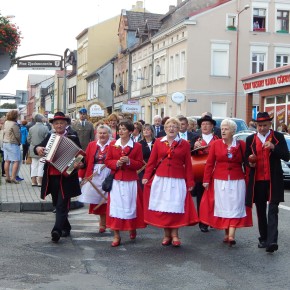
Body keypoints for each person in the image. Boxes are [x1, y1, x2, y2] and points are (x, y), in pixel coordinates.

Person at [142, 117, 199, 247]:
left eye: (174, 126)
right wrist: (146, 176)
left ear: (179, 129)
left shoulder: (184, 144)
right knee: (164, 208)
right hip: (161, 179)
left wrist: (190, 182)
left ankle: (175, 235)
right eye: (169, 126)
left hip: (177, 180)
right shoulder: (158, 142)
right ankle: (166, 235)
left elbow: (188, 165)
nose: (171, 129)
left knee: (175, 207)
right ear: (165, 129)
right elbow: (151, 162)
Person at [200, 119, 253, 246]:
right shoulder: (216, 144)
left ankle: (231, 235)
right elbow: (210, 163)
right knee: (223, 206)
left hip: (237, 180)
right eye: (222, 129)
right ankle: (226, 232)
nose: (223, 131)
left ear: (233, 131)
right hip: (219, 180)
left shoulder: (241, 145)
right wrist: (206, 180)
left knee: (235, 205)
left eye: (226, 129)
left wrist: (249, 178)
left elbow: (247, 164)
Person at [34, 112, 83, 243]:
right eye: (56, 123)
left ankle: (56, 230)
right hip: (52, 175)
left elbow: (79, 155)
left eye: (61, 123)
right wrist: (38, 148)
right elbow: (37, 147)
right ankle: (66, 227)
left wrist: (76, 165)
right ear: (53, 125)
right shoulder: (50, 136)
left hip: (66, 176)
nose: (59, 125)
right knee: (57, 203)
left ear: (66, 124)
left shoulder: (72, 136)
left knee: (62, 204)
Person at [245, 112, 289, 253]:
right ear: (256, 125)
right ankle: (263, 238)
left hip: (273, 179)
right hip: (257, 181)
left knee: (273, 210)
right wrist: (249, 162)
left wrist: (274, 147)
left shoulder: (278, 137)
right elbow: (246, 159)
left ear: (270, 124)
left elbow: (286, 156)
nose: (262, 128)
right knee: (260, 210)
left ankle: (272, 241)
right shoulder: (250, 139)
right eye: (259, 125)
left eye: (264, 125)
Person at [105, 119, 145, 247]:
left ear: (130, 132)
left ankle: (132, 228)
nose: (120, 131)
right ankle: (116, 236)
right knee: (115, 207)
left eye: (123, 129)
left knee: (130, 206)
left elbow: (139, 163)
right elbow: (107, 161)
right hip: (116, 180)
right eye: (119, 129)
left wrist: (129, 161)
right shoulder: (112, 144)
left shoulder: (137, 146)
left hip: (130, 180)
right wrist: (116, 163)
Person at [78, 124, 112, 233]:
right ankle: (102, 223)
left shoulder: (113, 144)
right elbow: (86, 162)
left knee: (110, 200)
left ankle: (109, 222)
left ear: (109, 134)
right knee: (99, 201)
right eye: (100, 133)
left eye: (104, 133)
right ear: (96, 134)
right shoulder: (92, 145)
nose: (102, 135)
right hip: (94, 176)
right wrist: (80, 176)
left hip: (109, 175)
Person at [192, 115, 220, 232]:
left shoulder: (218, 139)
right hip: (200, 172)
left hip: (215, 172)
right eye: (203, 124)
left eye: (207, 124)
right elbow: (189, 155)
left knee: (214, 197)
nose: (205, 126)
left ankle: (213, 220)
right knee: (201, 197)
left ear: (212, 126)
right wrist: (194, 147)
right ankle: (202, 222)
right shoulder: (195, 139)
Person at [28, 114, 49, 186]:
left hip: (33, 148)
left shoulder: (31, 128)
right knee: (41, 165)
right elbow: (47, 139)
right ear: (41, 119)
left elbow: (28, 139)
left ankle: (33, 181)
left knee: (33, 165)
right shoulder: (45, 128)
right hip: (42, 148)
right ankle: (40, 181)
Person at [3, 110, 21, 184]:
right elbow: (17, 135)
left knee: (7, 160)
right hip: (12, 143)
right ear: (15, 116)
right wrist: (19, 142)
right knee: (16, 161)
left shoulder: (6, 122)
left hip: (5, 143)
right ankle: (13, 178)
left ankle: (7, 177)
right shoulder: (14, 124)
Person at [138, 123, 156, 188]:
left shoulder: (157, 142)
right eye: (144, 129)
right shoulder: (139, 144)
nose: (146, 131)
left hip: (155, 168)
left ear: (152, 131)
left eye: (148, 129)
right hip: (143, 169)